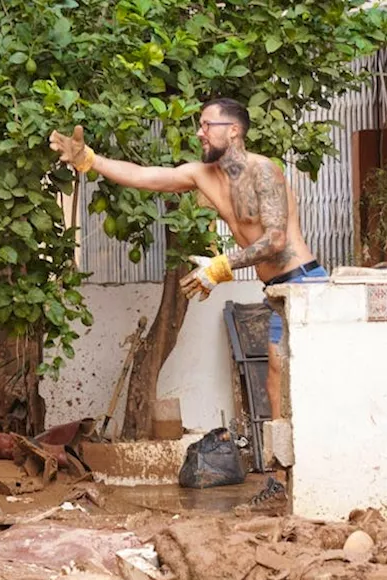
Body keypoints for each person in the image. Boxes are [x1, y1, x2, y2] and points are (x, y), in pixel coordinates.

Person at [48, 98, 327, 420]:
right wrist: (89, 159)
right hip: (275, 291)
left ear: (234, 131)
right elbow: (144, 176)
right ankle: (283, 466)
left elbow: (275, 239)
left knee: (298, 379)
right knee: (276, 381)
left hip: (304, 284)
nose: (199, 133)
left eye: (207, 125)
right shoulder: (203, 174)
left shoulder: (263, 171)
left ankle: (301, 464)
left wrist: (222, 266)